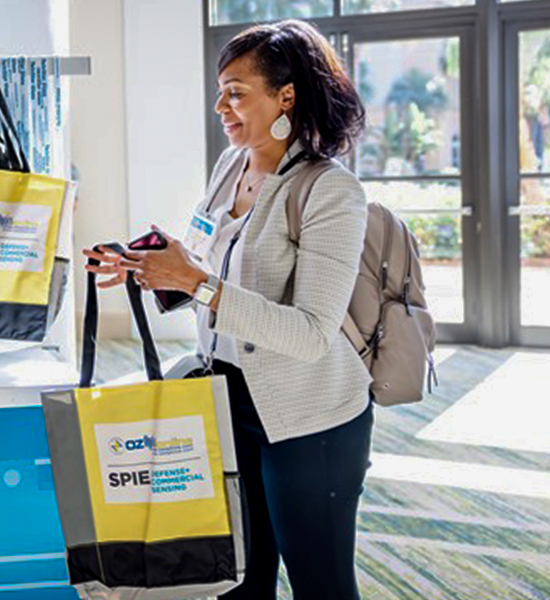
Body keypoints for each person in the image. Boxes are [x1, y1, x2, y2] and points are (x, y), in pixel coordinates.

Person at [83, 20, 372, 600]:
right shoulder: (229, 168)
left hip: (309, 418)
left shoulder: (330, 191)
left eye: (237, 92)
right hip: (224, 399)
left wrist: (200, 283)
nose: (220, 105)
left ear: (286, 97)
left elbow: (312, 333)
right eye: (220, 90)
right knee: (236, 579)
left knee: (322, 585)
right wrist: (144, 266)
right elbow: (204, 259)